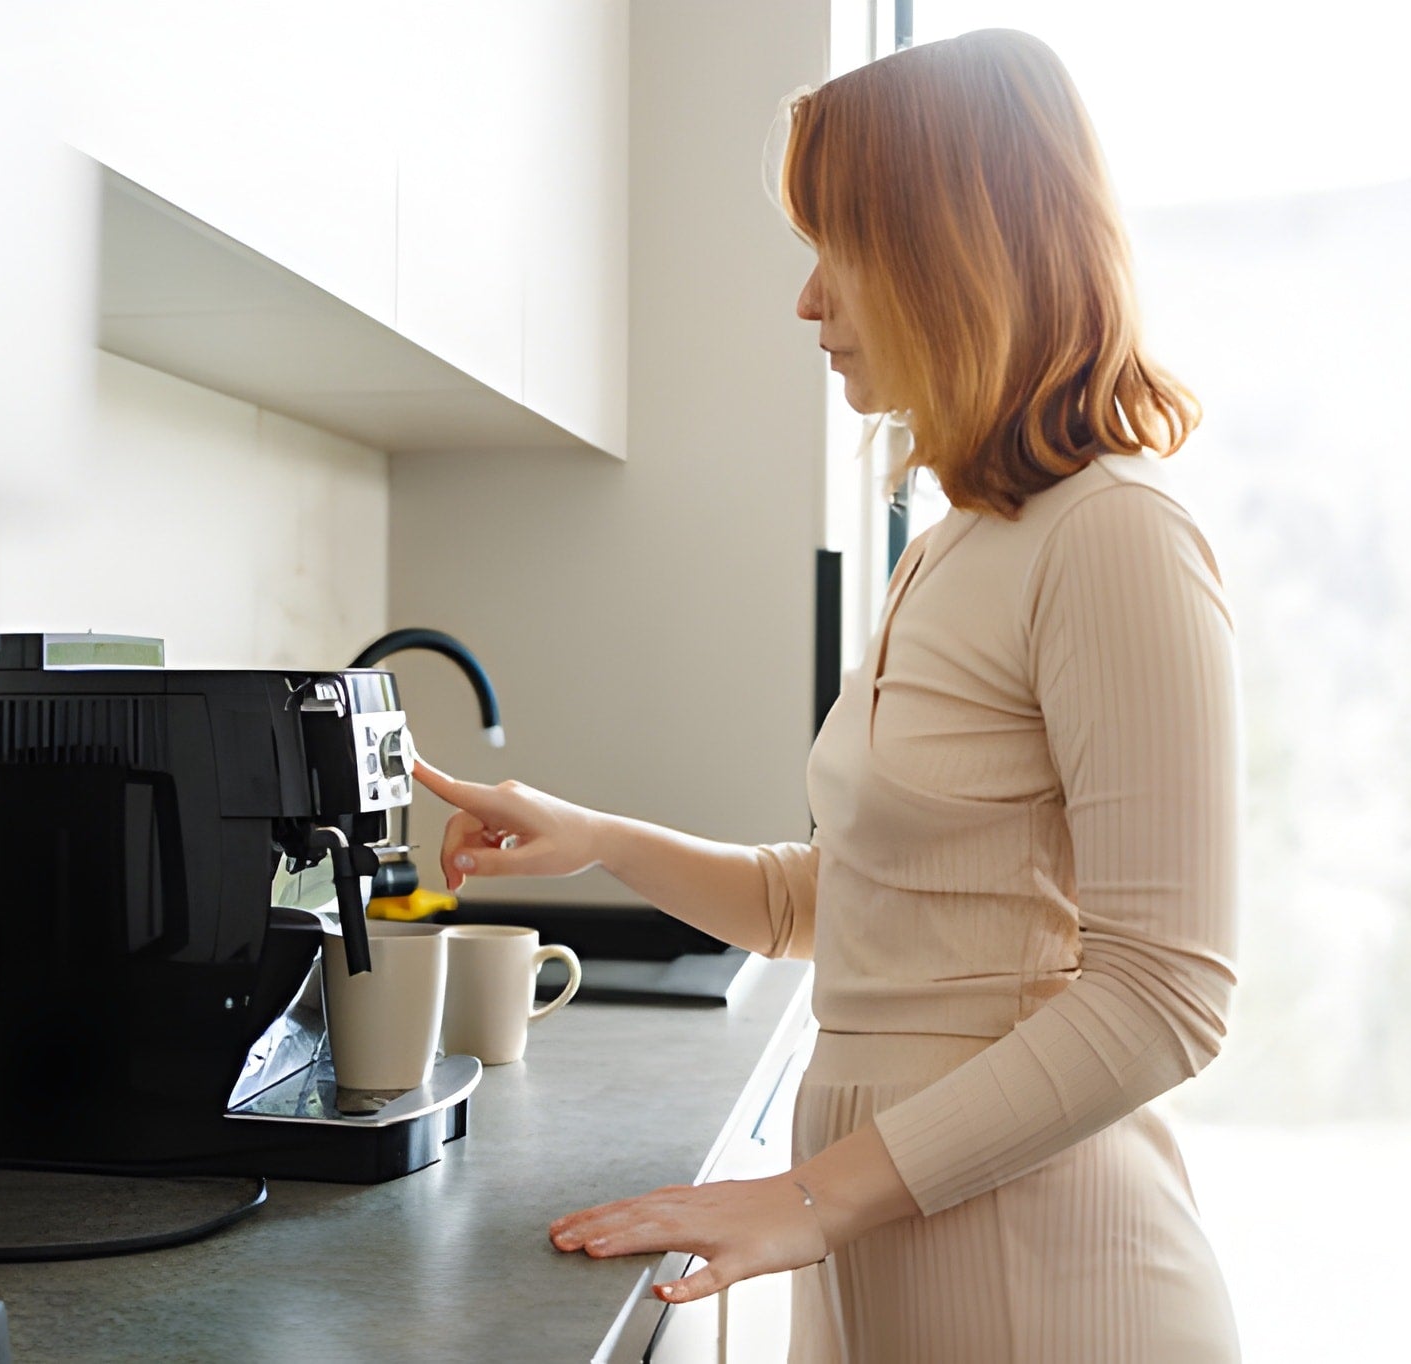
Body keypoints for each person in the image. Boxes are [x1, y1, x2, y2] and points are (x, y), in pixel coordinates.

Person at [410, 27, 1239, 1363]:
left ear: (952, 252)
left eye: (839, 249)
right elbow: (838, 906)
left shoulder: (1117, 537)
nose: (808, 301)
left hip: (1044, 1272)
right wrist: (602, 839)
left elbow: (1165, 995)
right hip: (887, 1237)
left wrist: (802, 1203)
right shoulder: (960, 544)